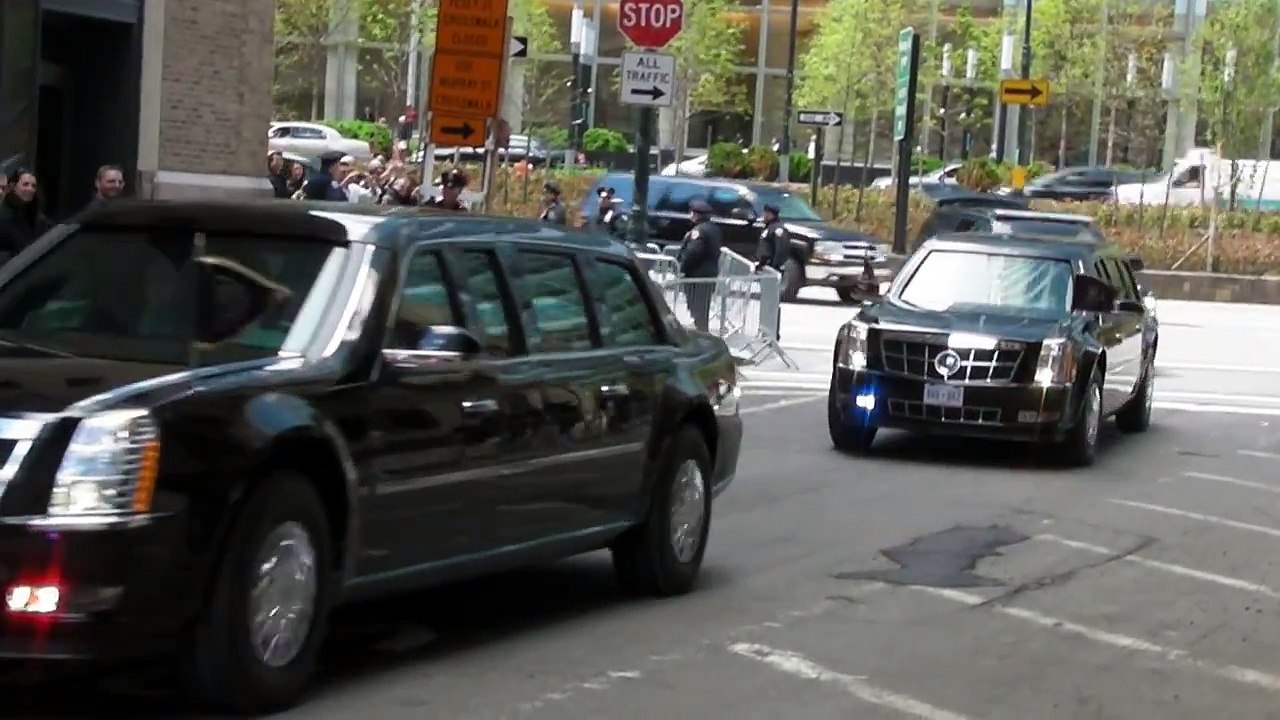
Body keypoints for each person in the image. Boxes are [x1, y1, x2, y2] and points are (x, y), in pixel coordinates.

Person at [677, 199, 722, 332]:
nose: (690, 216)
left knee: (696, 305)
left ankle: (701, 330)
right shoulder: (714, 228)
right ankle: (701, 327)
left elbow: (693, 253)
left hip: (697, 274)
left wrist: (683, 268)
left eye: (692, 213)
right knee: (703, 305)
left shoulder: (699, 231)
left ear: (697, 215)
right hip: (710, 272)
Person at [0, 169, 51, 263]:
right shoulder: (4, 216)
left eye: (33, 186)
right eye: (25, 184)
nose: (30, 189)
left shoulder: (39, 219)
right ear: (13, 186)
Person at [754, 202, 789, 273]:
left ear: (770, 214)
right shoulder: (768, 227)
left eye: (766, 213)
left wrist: (774, 266)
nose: (763, 215)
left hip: (769, 268)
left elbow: (781, 249)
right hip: (762, 266)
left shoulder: (778, 229)